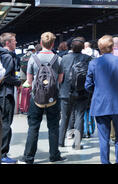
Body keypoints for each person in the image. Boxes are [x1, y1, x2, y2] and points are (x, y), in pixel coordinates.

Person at [85, 35, 118, 164]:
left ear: (100, 49)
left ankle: (105, 162)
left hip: (100, 104)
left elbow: (88, 85)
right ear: (112, 47)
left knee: (103, 138)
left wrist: (98, 91)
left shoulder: (93, 63)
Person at [19, 32, 66, 164]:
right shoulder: (58, 59)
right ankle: (54, 156)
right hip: (53, 98)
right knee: (53, 127)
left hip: (36, 98)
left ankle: (28, 157)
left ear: (41, 43)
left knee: (33, 127)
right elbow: (60, 80)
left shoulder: (33, 59)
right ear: (52, 44)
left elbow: (29, 80)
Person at [59, 37, 92, 149]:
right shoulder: (88, 58)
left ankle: (60, 142)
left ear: (71, 47)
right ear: (83, 48)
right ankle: (76, 144)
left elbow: (60, 76)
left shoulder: (64, 58)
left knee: (65, 117)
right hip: (82, 92)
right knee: (79, 116)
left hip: (65, 92)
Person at [0, 32, 21, 164]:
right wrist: (19, 82)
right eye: (14, 41)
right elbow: (6, 77)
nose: (16, 43)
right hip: (5, 94)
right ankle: (3, 154)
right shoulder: (7, 56)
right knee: (6, 124)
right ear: (7, 43)